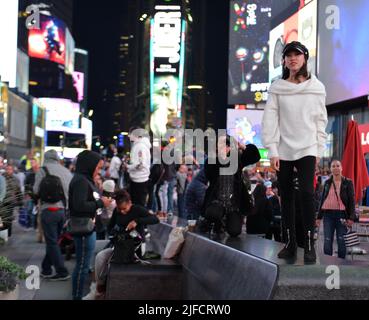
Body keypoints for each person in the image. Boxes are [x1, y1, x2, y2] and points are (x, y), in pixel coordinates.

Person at [262, 41, 328, 263]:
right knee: (286, 197)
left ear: (305, 58)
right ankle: (289, 243)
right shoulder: (277, 87)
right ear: (284, 60)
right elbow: (270, 119)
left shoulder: (316, 87)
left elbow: (321, 120)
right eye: (288, 55)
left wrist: (319, 149)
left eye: (297, 55)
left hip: (308, 146)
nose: (292, 58)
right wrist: (272, 149)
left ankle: (309, 244)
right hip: (283, 149)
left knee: (307, 194)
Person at [83, 190, 159, 300]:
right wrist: (115, 234)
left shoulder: (137, 209)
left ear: (130, 203)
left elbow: (155, 219)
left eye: (124, 209)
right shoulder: (117, 211)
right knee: (100, 257)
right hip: (120, 245)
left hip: (135, 247)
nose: (122, 212)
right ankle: (99, 288)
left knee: (105, 259)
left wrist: (137, 221)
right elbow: (110, 226)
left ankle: (99, 291)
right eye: (120, 209)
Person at [69, 150, 112, 300]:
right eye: (97, 167)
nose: (98, 170)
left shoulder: (84, 179)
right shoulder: (81, 181)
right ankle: (77, 296)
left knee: (83, 265)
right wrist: (101, 202)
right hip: (83, 228)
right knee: (82, 266)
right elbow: (79, 205)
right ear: (89, 165)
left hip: (88, 227)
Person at [201, 135, 260, 237]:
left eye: (227, 146)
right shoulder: (211, 161)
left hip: (234, 202)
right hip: (217, 199)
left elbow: (255, 156)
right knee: (213, 214)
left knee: (234, 231)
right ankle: (210, 223)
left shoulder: (237, 159)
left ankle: (224, 224)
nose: (225, 148)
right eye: (222, 146)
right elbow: (210, 175)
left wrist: (242, 146)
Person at [33, 150, 73, 280]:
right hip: (62, 211)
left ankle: (62, 271)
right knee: (54, 241)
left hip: (48, 209)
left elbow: (35, 190)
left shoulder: (42, 170)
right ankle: (46, 268)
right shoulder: (66, 171)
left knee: (52, 242)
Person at [316, 160, 355, 259]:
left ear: (341, 168)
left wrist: (351, 217)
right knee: (327, 240)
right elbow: (322, 200)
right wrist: (318, 217)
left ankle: (342, 264)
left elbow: (351, 201)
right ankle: (327, 264)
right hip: (328, 216)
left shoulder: (348, 182)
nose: (336, 167)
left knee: (341, 241)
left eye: (338, 166)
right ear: (330, 169)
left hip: (342, 215)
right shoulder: (327, 183)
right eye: (333, 166)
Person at [126, 127, 152, 207]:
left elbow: (141, 164)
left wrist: (128, 167)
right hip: (138, 178)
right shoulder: (139, 145)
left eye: (130, 134)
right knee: (138, 204)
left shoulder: (140, 146)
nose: (129, 136)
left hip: (139, 179)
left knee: (138, 205)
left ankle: (138, 219)